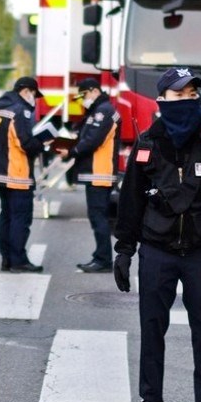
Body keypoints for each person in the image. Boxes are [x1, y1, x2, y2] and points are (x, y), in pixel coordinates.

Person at [113, 67, 201, 402]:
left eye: (192, 95)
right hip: (158, 249)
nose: (187, 101)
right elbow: (130, 203)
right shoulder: (147, 145)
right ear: (162, 101)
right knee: (152, 327)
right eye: (179, 95)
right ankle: (151, 401)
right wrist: (124, 251)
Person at [0, 77, 50, 272]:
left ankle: (7, 259)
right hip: (17, 172)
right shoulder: (20, 110)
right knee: (20, 218)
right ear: (26, 91)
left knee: (6, 216)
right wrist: (43, 144)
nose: (34, 100)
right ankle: (18, 260)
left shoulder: (0, 109)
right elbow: (25, 143)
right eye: (34, 95)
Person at [61, 78, 119, 273]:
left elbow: (92, 140)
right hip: (96, 172)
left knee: (98, 216)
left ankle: (103, 259)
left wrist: (71, 151)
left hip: (99, 172)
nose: (83, 99)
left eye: (84, 95)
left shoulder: (104, 111)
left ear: (93, 91)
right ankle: (101, 256)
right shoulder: (99, 110)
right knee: (97, 216)